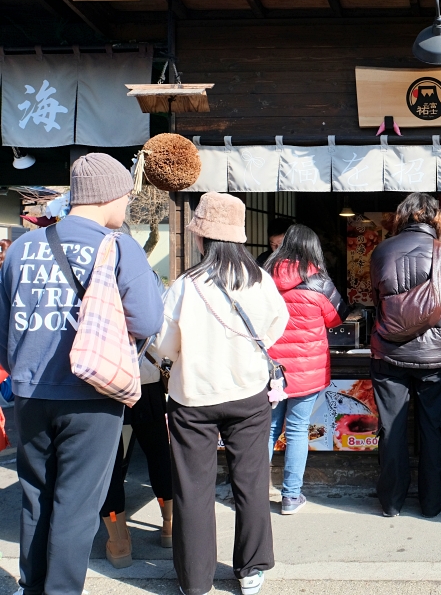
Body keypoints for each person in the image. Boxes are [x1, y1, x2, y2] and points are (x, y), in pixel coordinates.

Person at [0, 154, 164, 595]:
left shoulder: (21, 247)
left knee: (35, 494)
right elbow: (148, 321)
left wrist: (22, 371)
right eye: (126, 197)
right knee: (76, 504)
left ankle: (33, 587)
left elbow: (4, 328)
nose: (127, 206)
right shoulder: (117, 246)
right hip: (92, 392)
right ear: (109, 195)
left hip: (30, 390)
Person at [152, 192, 289, 595]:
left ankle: (195, 581)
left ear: (201, 239)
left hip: (193, 397)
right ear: (239, 238)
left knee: (192, 490)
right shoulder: (260, 279)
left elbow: (163, 344)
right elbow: (275, 327)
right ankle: (250, 570)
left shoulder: (184, 286)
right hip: (247, 394)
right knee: (251, 482)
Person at [369, 193, 441, 518]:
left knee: (391, 427)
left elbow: (376, 296)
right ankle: (432, 501)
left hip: (388, 353)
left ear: (401, 216)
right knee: (432, 427)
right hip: (434, 355)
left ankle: (391, 503)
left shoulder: (381, 250)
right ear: (435, 218)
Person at [265, 224, 347, 515]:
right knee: (297, 430)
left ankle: (252, 495)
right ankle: (290, 496)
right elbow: (337, 318)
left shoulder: (263, 277)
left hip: (272, 371)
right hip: (308, 371)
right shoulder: (319, 282)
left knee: (269, 429)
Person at [99, 355, 175, 568]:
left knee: (109, 464)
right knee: (159, 454)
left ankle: (119, 542)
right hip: (145, 381)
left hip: (105, 382)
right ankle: (169, 525)